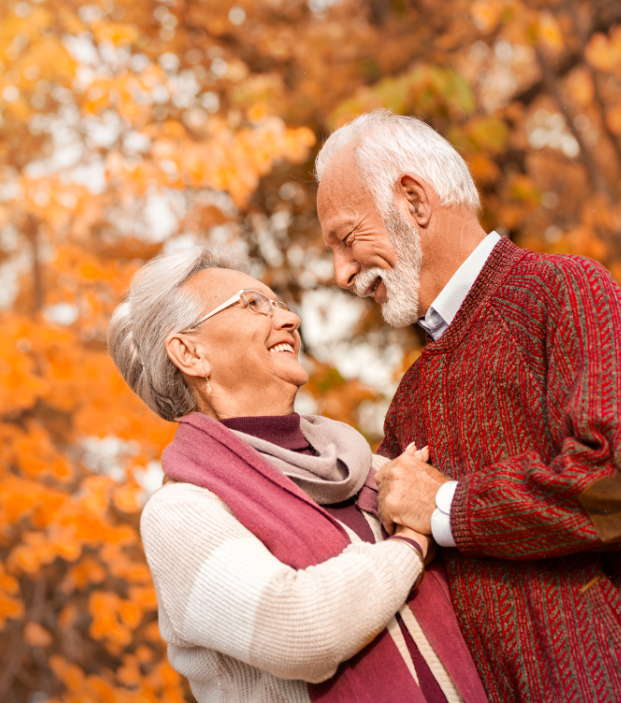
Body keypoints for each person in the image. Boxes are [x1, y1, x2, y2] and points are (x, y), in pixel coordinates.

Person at [315, 109, 621, 703]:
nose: (340, 270)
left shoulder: (565, 290)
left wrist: (448, 506)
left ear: (413, 201)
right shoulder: (410, 398)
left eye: (347, 239)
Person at [107, 246, 489, 703]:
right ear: (190, 354)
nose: (290, 320)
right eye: (253, 305)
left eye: (281, 305)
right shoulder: (182, 510)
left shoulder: (369, 470)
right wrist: (412, 541)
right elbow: (297, 627)